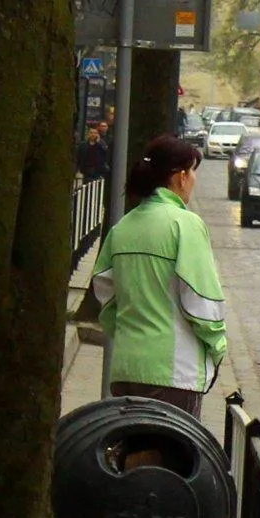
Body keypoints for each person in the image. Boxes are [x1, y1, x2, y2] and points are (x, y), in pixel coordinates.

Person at [79, 136, 228, 417]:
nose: (194, 179)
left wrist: (126, 335)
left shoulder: (124, 226)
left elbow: (106, 296)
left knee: (132, 454)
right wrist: (218, 346)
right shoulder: (185, 224)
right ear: (181, 177)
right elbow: (202, 302)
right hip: (174, 372)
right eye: (193, 171)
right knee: (169, 458)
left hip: (126, 366)